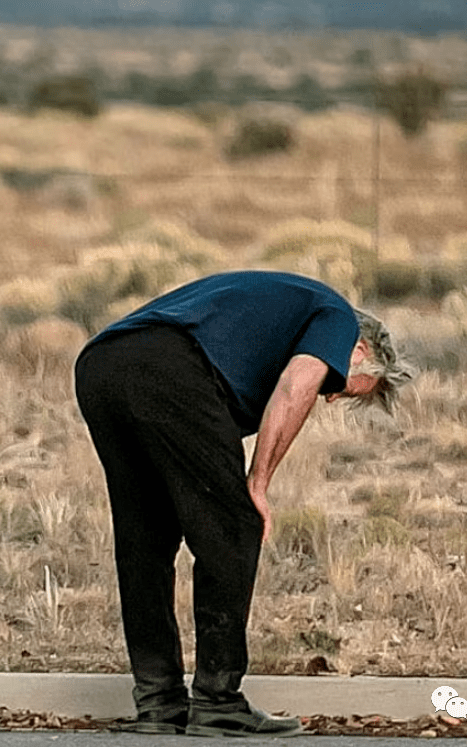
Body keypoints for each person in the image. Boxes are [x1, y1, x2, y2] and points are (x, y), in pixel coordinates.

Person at [74, 270, 414, 738]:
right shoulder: (336, 317)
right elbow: (296, 387)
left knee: (145, 541)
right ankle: (217, 701)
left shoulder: (279, 317)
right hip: (169, 366)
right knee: (234, 527)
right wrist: (258, 484)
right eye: (344, 385)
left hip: (102, 365)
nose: (332, 396)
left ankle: (159, 704)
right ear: (361, 351)